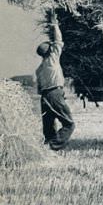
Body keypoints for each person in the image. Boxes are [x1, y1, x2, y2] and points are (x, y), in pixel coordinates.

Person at [35, 9, 75, 151]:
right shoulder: (52, 59)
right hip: (54, 94)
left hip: (44, 96)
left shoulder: (39, 69)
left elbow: (39, 88)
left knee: (49, 125)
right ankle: (52, 146)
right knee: (69, 124)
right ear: (49, 51)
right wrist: (54, 23)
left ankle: (47, 148)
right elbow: (58, 39)